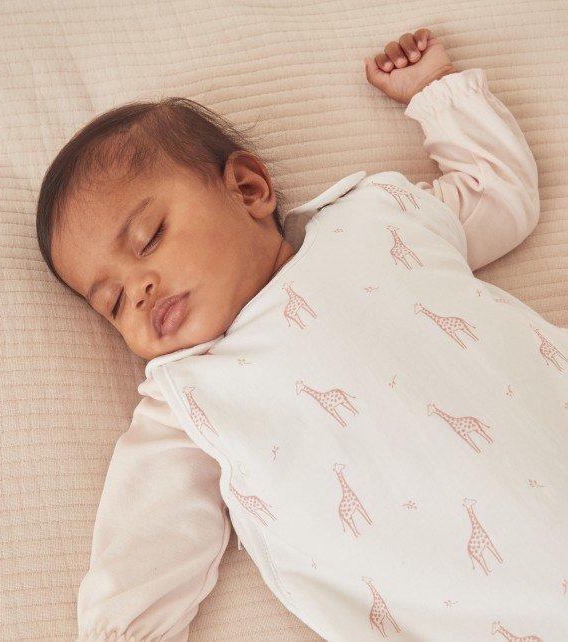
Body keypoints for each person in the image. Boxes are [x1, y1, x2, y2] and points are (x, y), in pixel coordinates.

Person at [36, 27, 566, 641]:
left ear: (248, 189)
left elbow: (496, 192)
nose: (141, 288)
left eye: (149, 238)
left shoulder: (376, 221)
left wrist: (437, 96)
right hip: (471, 610)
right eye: (115, 301)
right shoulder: (188, 399)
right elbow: (142, 553)